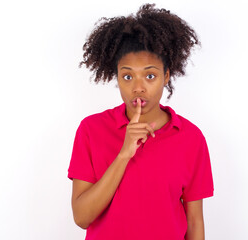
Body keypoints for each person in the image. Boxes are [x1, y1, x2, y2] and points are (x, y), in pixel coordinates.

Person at [68, 4, 214, 240]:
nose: (138, 87)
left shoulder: (190, 137)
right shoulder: (91, 129)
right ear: (116, 77)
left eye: (150, 75)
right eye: (127, 76)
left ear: (166, 76)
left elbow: (195, 221)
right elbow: (82, 217)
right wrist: (124, 154)